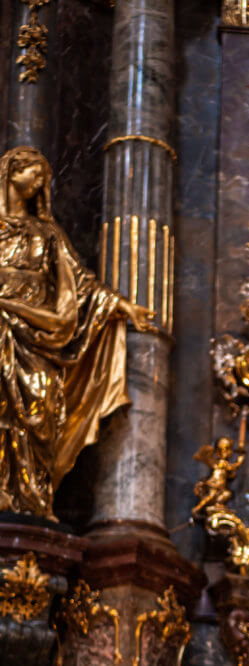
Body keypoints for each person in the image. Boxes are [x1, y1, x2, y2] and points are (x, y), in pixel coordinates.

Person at [0, 145, 153, 517]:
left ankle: (32, 498)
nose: (39, 182)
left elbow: (79, 283)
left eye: (43, 177)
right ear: (10, 173)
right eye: (33, 173)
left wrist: (121, 305)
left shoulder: (47, 233)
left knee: (40, 406)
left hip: (38, 334)